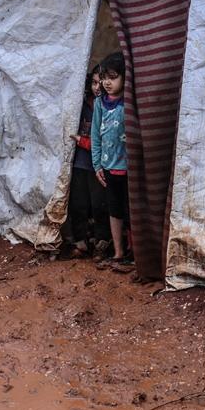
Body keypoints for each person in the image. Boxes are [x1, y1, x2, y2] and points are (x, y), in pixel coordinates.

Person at [91, 52, 131, 264]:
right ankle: (118, 252)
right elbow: (95, 135)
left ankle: (134, 253)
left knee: (131, 212)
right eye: (104, 77)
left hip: (128, 169)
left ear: (125, 77)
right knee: (114, 211)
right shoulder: (100, 104)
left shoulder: (129, 103)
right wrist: (97, 164)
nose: (106, 82)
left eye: (113, 77)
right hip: (108, 167)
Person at [67, 67, 107, 256]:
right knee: (78, 203)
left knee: (99, 204)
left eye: (101, 82)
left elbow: (106, 141)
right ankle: (80, 240)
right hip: (80, 163)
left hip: (98, 164)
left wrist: (83, 142)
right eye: (94, 82)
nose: (97, 87)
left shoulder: (109, 106)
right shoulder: (80, 106)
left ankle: (101, 241)